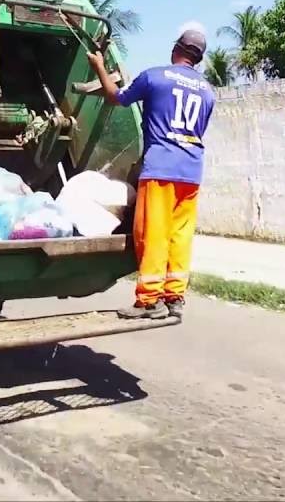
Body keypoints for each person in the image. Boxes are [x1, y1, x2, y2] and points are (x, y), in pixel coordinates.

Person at [86, 25, 215, 319]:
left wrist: (98, 67)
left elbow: (115, 97)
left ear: (176, 49)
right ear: (198, 59)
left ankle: (148, 301)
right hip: (192, 170)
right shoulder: (208, 91)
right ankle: (175, 297)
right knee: (179, 235)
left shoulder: (155, 77)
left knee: (153, 233)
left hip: (161, 168)